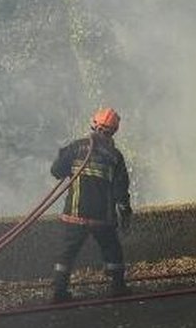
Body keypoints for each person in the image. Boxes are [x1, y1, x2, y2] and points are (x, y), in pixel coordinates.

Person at [49, 106, 133, 303]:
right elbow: (121, 189)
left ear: (93, 124)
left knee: (67, 252)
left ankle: (59, 291)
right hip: (102, 217)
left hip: (75, 214)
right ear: (114, 131)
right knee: (112, 250)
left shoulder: (76, 148)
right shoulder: (115, 156)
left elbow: (56, 171)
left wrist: (65, 160)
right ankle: (118, 287)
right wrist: (125, 211)